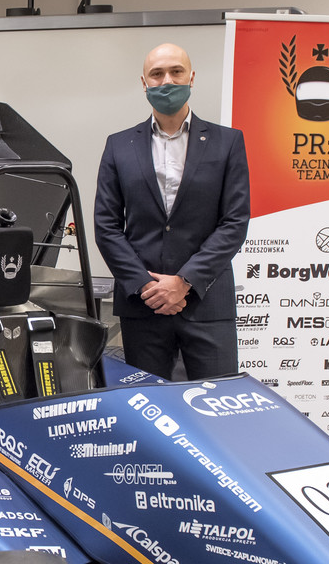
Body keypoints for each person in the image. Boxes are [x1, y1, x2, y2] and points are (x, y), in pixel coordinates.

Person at [94, 42, 250, 381]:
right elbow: (106, 226)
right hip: (143, 305)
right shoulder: (119, 146)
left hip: (207, 303)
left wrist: (184, 282)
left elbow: (234, 222)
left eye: (176, 71)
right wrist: (145, 286)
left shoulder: (227, 142)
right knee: (148, 405)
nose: (167, 81)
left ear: (191, 77)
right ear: (144, 83)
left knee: (217, 403)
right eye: (157, 74)